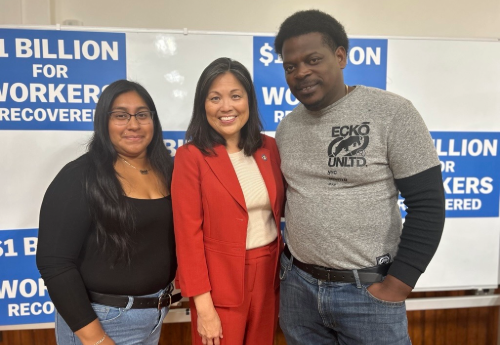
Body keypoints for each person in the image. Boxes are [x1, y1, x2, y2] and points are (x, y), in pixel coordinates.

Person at [274, 10, 446, 345]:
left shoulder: (392, 113)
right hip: (298, 288)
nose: (301, 73)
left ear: (340, 56)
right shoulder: (287, 127)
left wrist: (398, 284)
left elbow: (428, 203)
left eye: (312, 59)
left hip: (368, 292)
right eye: (290, 66)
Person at [37, 80, 180, 345]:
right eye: (121, 115)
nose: (133, 124)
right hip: (101, 322)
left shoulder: (169, 171)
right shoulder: (80, 176)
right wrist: (96, 339)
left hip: (154, 316)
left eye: (142, 114)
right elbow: (54, 264)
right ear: (103, 122)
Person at [172, 57, 285, 345]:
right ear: (203, 105)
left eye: (236, 96)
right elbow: (188, 236)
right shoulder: (191, 157)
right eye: (215, 98)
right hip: (218, 285)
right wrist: (203, 306)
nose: (226, 107)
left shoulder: (268, 147)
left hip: (269, 277)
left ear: (249, 100)